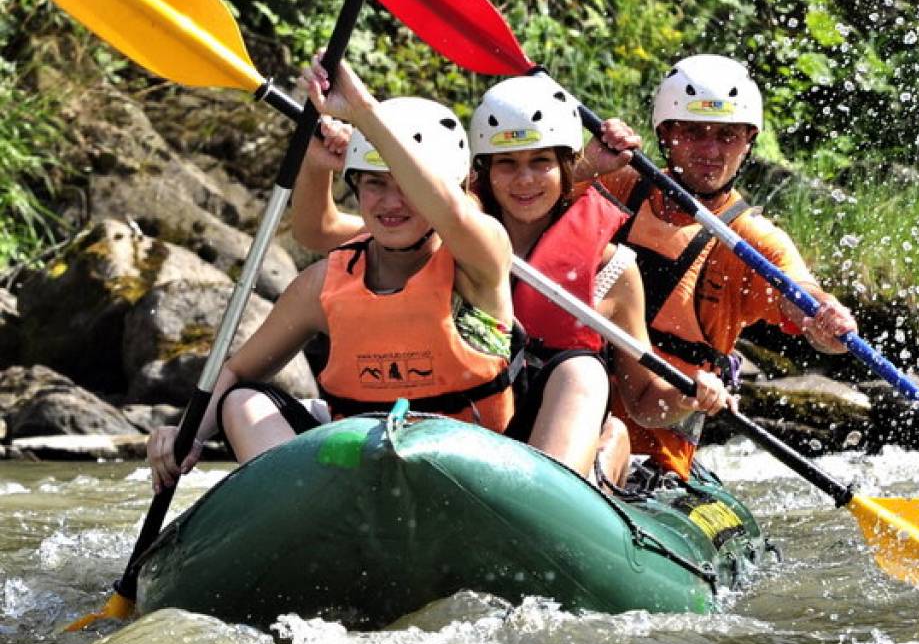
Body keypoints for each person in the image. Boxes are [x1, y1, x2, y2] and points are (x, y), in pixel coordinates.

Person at [291, 74, 735, 484]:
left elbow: (642, 401)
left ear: (567, 166)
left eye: (540, 162)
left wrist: (688, 396)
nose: (523, 180)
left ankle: (585, 485)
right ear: (481, 173)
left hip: (551, 443)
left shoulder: (611, 269)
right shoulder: (441, 231)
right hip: (461, 432)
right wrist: (317, 163)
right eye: (507, 164)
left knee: (596, 397)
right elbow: (318, 232)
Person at [148, 58, 514, 492]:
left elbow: (452, 214)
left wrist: (361, 111)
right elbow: (236, 372)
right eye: (374, 183)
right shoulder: (324, 284)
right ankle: (302, 518)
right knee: (243, 403)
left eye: (405, 184)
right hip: (360, 485)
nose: (390, 202)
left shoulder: (478, 258)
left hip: (472, 477)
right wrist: (187, 433)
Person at [584, 54, 859, 481]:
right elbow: (515, 206)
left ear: (749, 141)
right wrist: (586, 163)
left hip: (652, 457)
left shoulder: (751, 241)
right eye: (694, 133)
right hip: (570, 407)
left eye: (727, 136)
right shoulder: (617, 182)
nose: (710, 151)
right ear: (666, 133)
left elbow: (802, 299)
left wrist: (825, 318)